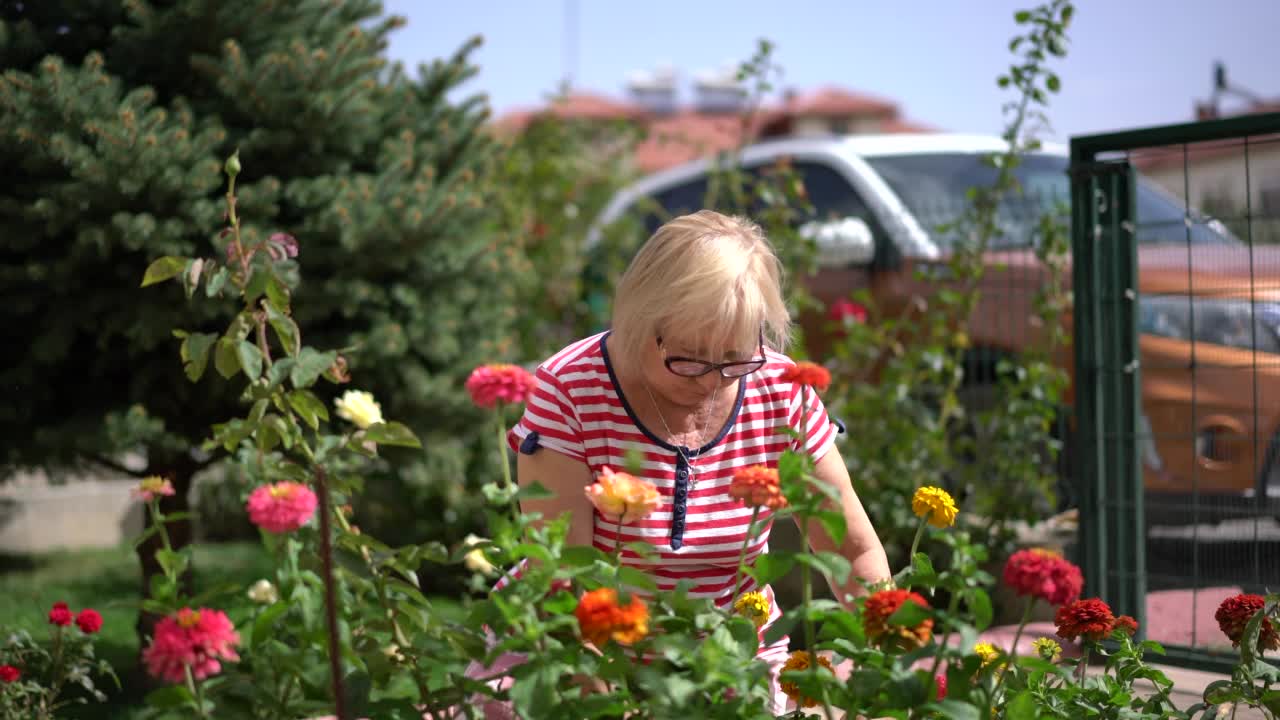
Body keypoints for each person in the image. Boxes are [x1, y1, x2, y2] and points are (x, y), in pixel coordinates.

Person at [472, 210, 891, 716]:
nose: (711, 380)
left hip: (727, 654)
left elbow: (855, 552)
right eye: (690, 358)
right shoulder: (571, 389)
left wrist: (879, 671)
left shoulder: (782, 392)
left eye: (735, 359)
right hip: (578, 652)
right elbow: (565, 581)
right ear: (640, 320)